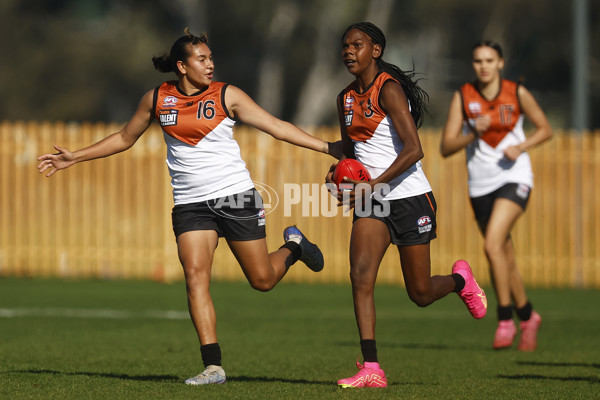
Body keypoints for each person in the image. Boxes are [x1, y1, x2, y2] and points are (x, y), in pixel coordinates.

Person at [37, 28, 340, 385]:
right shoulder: (156, 99)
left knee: (262, 280)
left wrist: (326, 147)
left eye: (211, 58)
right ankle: (213, 367)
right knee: (195, 277)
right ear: (181, 66)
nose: (210, 65)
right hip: (190, 204)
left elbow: (276, 126)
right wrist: (75, 157)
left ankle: (294, 245)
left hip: (236, 196)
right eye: (202, 59)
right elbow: (123, 138)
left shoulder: (228, 95)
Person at [326, 22, 488, 389]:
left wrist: (374, 185)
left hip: (410, 197)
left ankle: (461, 279)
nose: (348, 51)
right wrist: (338, 175)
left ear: (376, 50)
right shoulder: (344, 99)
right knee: (360, 276)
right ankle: (372, 368)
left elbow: (415, 149)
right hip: (374, 203)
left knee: (420, 293)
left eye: (357, 45)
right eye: (345, 46)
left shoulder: (390, 90)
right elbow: (353, 154)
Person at [440, 40, 552, 351]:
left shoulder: (516, 93)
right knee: (504, 254)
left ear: (501, 62)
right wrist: (472, 131)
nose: (484, 66)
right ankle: (528, 316)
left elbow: (545, 129)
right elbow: (445, 147)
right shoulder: (463, 96)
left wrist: (521, 146)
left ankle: (505, 319)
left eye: (490, 60)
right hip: (480, 185)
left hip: (514, 177)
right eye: (478, 61)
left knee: (491, 244)